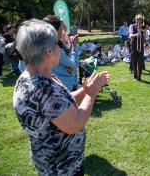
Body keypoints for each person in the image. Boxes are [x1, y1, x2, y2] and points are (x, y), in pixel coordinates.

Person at [13, 19, 110, 175]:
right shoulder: (43, 88)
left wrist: (86, 90)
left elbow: (62, 103)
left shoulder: (36, 77)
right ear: (49, 52)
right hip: (61, 167)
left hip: (56, 163)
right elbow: (75, 123)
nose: (62, 48)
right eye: (58, 44)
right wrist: (91, 95)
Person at [43, 15, 79, 91]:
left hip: (52, 86)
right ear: (56, 29)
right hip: (65, 86)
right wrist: (75, 46)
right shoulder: (54, 47)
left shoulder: (43, 44)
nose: (63, 30)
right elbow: (73, 64)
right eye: (61, 27)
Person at [129, 14, 146, 81]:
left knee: (140, 62)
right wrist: (136, 35)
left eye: (140, 19)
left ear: (141, 20)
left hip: (141, 46)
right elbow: (130, 35)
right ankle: (135, 76)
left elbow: (145, 36)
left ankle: (139, 76)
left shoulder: (143, 26)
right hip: (134, 46)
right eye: (137, 19)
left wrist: (144, 33)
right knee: (134, 61)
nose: (139, 21)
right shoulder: (132, 26)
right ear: (135, 20)